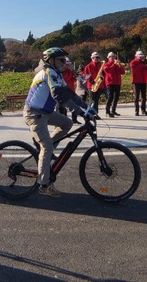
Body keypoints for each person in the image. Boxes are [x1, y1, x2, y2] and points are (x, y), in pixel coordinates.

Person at [23, 47, 90, 197]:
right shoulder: (48, 72)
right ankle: (44, 185)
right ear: (51, 60)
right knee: (46, 147)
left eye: (65, 60)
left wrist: (86, 107)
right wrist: (78, 111)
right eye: (61, 60)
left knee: (67, 124)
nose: (64, 62)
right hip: (33, 113)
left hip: (45, 112)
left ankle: (48, 148)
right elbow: (58, 95)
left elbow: (70, 93)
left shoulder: (57, 75)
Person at [103, 52, 125, 118]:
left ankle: (113, 110)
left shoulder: (117, 64)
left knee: (116, 97)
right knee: (110, 97)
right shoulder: (106, 64)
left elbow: (123, 72)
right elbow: (108, 71)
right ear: (108, 58)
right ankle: (107, 111)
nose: (113, 58)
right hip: (110, 83)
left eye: (113, 56)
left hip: (118, 83)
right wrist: (114, 65)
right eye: (111, 57)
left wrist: (119, 65)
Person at [130, 51, 147, 116]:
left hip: (143, 81)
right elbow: (133, 69)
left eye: (142, 56)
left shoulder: (143, 62)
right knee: (136, 96)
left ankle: (143, 110)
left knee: (144, 97)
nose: (141, 57)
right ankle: (136, 111)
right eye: (140, 56)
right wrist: (141, 64)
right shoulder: (133, 62)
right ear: (136, 56)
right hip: (136, 81)